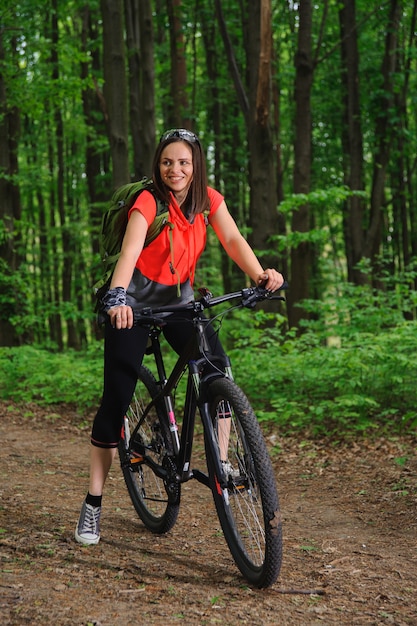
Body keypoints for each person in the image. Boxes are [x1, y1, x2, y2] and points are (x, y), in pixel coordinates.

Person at [75, 128, 284, 545]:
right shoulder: (148, 201)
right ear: (159, 164)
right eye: (168, 161)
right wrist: (117, 297)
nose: (176, 169)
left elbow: (232, 238)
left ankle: (221, 465)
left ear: (196, 166)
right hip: (133, 303)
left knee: (216, 368)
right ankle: (92, 503)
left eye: (184, 162)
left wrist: (259, 274)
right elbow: (131, 252)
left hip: (179, 300)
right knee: (117, 396)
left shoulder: (208, 199)